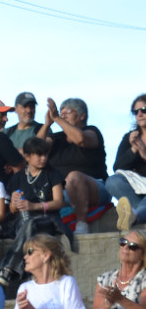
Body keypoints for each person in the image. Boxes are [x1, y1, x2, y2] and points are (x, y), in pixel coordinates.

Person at [0, 138, 69, 288]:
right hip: (23, 222)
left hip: (48, 220)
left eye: (45, 154)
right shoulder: (17, 178)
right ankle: (26, 274)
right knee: (26, 219)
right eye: (39, 155)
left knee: (29, 221)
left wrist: (34, 206)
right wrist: (14, 203)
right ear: (27, 156)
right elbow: (12, 210)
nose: (43, 158)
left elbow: (59, 202)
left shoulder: (53, 174)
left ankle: (9, 267)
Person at [38, 97, 109, 234]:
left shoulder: (92, 131)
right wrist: (47, 124)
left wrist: (58, 119)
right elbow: (36, 149)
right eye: (61, 112)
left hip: (95, 188)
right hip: (63, 192)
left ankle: (81, 224)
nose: (63, 115)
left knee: (74, 177)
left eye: (68, 112)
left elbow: (80, 139)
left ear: (82, 116)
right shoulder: (56, 138)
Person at [112, 94, 146, 230]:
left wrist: (143, 153)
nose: (139, 114)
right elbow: (117, 166)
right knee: (113, 181)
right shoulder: (130, 137)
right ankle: (137, 213)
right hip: (136, 185)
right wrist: (133, 149)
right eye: (135, 112)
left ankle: (135, 215)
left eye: (144, 110)